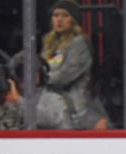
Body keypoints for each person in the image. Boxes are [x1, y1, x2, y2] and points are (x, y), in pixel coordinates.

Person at [36, 0, 108, 130]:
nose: (59, 19)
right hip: (48, 102)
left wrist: (39, 78)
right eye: (56, 15)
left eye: (65, 15)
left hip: (74, 107)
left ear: (74, 20)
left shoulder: (80, 44)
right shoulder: (49, 44)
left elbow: (63, 76)